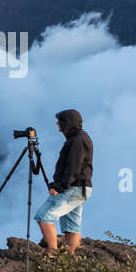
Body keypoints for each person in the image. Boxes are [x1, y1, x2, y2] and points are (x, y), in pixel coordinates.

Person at [34, 109, 93, 256]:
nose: (57, 123)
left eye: (59, 120)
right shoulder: (80, 138)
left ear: (67, 123)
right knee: (72, 225)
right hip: (81, 188)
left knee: (43, 216)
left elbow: (73, 167)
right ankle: (70, 258)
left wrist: (59, 187)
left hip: (73, 188)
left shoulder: (77, 141)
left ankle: (52, 253)